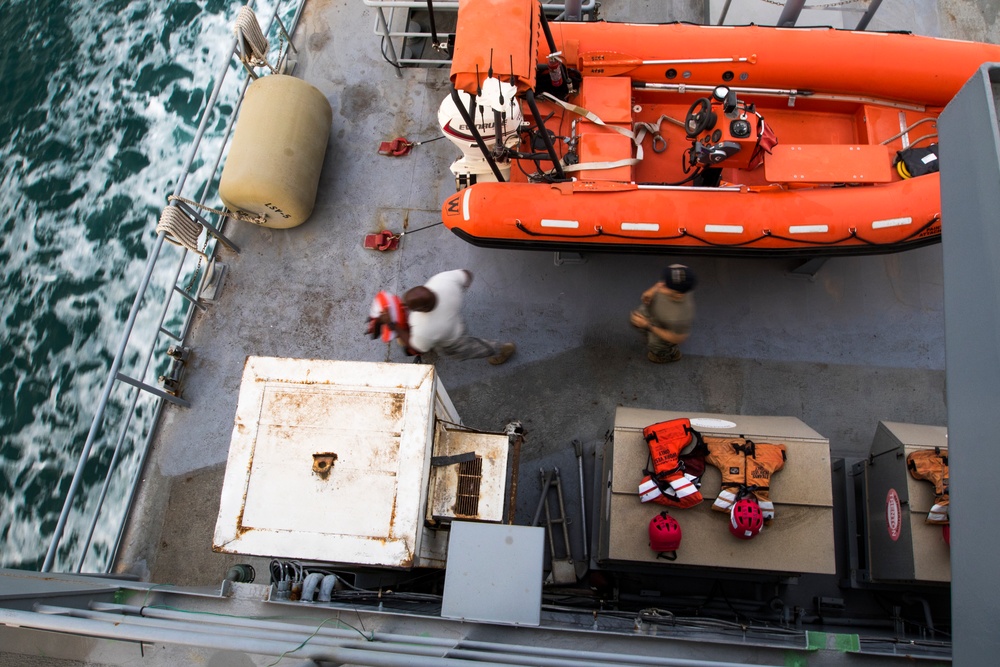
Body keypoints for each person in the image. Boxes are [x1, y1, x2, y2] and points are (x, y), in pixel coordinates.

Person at [399, 269, 516, 365]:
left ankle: (503, 349)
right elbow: (466, 275)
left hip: (454, 341)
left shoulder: (425, 328)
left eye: (410, 307)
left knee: (473, 349)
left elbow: (417, 348)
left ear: (423, 309)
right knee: (430, 338)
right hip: (454, 322)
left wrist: (395, 327)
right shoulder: (441, 281)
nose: (406, 308)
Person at [630, 264, 696, 363]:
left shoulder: (681, 317)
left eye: (666, 285)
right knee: (636, 320)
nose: (660, 284)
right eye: (665, 280)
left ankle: (669, 354)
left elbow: (677, 338)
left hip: (664, 327)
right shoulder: (676, 278)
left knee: (656, 345)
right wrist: (652, 291)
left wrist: (648, 325)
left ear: (678, 294)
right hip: (655, 312)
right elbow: (660, 284)